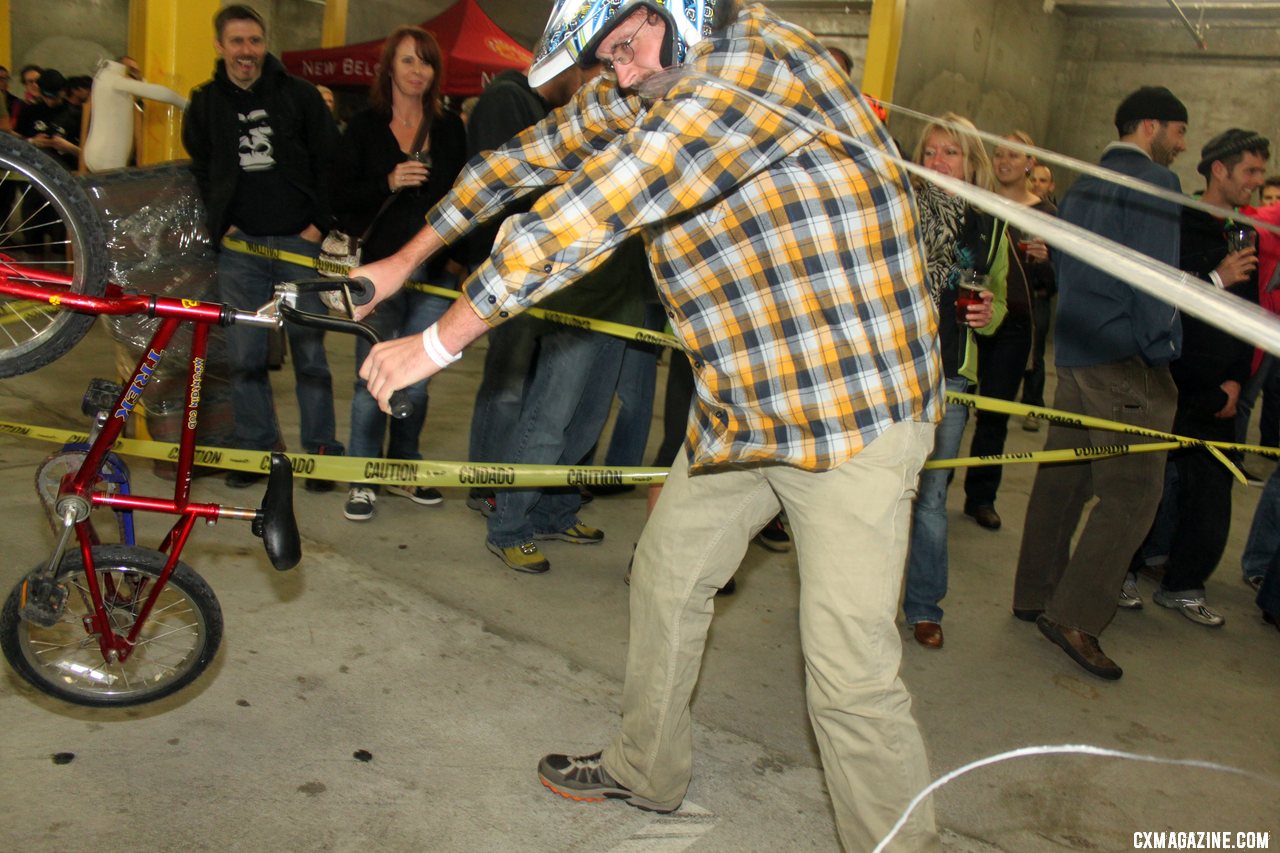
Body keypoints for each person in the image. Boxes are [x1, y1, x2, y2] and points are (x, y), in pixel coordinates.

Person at [353, 1, 943, 848]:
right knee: (665, 581)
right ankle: (646, 767)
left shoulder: (754, 71)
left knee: (848, 674)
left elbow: (597, 207)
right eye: (607, 57)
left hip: (850, 409)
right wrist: (401, 262)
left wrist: (440, 342)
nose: (618, 73)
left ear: (680, 8)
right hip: (742, 403)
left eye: (624, 48)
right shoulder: (651, 75)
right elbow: (524, 161)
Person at [1012, 86, 1187, 681]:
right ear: (1150, 127)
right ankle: (1077, 616)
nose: (1181, 146)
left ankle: (1035, 592)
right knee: (1133, 495)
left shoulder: (1084, 181)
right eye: (1178, 132)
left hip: (1080, 353)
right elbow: (1155, 280)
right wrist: (1162, 350)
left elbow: (1065, 265)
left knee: (1064, 477)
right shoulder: (1156, 185)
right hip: (1126, 360)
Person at [182, 3, 345, 489]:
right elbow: (202, 167)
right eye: (237, 42)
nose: (247, 51)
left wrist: (318, 226)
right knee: (245, 356)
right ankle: (255, 452)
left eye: (254, 41)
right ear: (220, 45)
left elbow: (329, 161)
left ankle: (320, 454)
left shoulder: (298, 95)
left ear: (264, 43)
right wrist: (224, 226)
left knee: (310, 353)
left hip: (299, 244)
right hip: (242, 250)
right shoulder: (206, 103)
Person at [1127, 129, 1267, 627]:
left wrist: (1234, 382)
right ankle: (1124, 569)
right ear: (1218, 170)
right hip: (1168, 376)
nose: (1257, 182)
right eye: (1249, 171)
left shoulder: (1243, 232)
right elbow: (1157, 296)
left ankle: (1183, 584)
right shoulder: (1176, 220)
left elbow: (1245, 313)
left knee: (1211, 489)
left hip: (1221, 387)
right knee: (1146, 482)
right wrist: (1215, 279)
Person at [334, 27, 467, 521]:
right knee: (370, 376)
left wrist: (460, 259)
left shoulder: (450, 128)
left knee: (419, 378)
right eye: (409, 61)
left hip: (435, 274)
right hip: (379, 274)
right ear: (389, 67)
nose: (417, 71)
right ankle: (363, 477)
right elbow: (340, 197)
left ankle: (404, 469)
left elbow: (467, 195)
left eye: (426, 63)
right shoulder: (365, 127)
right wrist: (387, 180)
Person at [902, 114, 1002, 649]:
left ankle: (923, 606)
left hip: (951, 375)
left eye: (951, 153)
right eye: (931, 151)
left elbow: (1003, 297)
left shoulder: (990, 223)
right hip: (894, 368)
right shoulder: (898, 207)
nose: (938, 162)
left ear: (972, 162)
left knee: (932, 499)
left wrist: (993, 314)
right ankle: (861, 602)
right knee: (877, 489)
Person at [960, 132, 1039, 530]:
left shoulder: (1045, 214)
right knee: (955, 406)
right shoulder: (978, 203)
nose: (1004, 161)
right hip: (970, 313)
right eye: (998, 153)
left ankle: (982, 496)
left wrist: (1047, 261)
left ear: (1030, 163)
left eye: (1014, 155)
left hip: (1015, 323)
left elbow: (1061, 281)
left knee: (994, 413)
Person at [83, 59, 187, 172]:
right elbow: (157, 92)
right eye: (132, 70)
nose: (136, 76)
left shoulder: (103, 81)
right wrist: (187, 104)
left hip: (101, 155)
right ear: (123, 68)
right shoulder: (114, 80)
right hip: (106, 156)